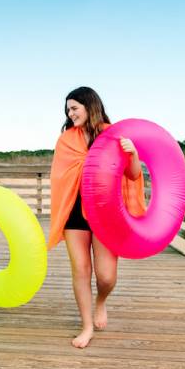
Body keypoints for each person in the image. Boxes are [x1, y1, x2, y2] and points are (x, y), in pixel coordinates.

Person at [49, 87, 146, 348]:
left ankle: (101, 302)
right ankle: (86, 325)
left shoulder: (112, 135)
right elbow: (60, 176)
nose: (70, 114)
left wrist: (133, 153)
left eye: (74, 109)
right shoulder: (66, 140)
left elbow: (134, 175)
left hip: (105, 214)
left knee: (106, 277)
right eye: (67, 110)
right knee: (81, 270)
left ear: (90, 106)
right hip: (74, 213)